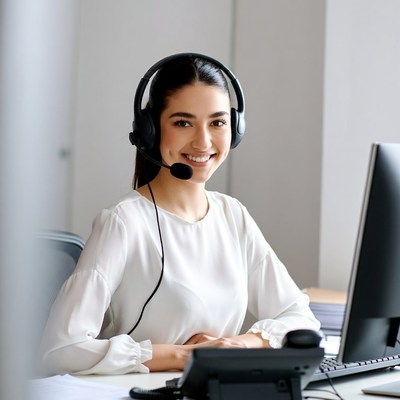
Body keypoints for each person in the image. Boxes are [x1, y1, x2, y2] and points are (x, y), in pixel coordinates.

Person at [39, 53, 320, 376]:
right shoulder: (124, 222)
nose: (203, 141)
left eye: (217, 122)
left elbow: (301, 320)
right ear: (151, 131)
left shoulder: (233, 216)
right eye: (183, 122)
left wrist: (237, 345)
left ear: (235, 128)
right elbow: (61, 350)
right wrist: (184, 355)